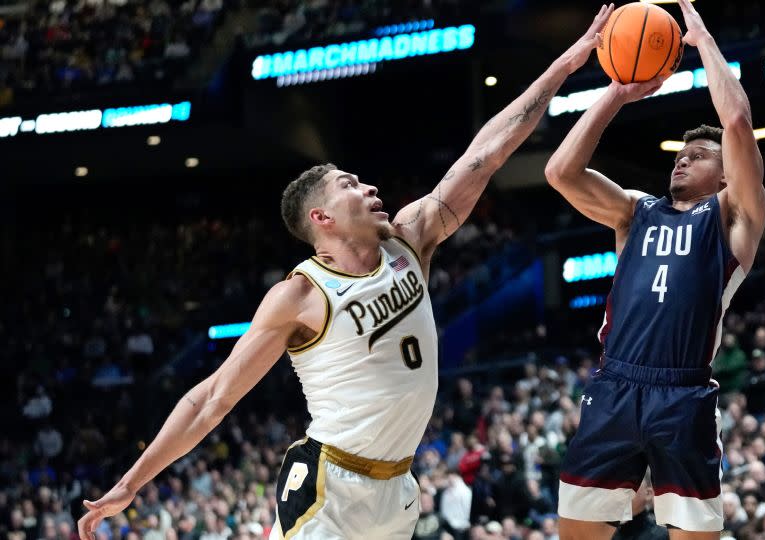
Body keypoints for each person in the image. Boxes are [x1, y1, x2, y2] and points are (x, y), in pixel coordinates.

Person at [75, 6, 619, 539]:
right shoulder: (299, 296)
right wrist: (131, 483)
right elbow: (211, 398)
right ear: (322, 218)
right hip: (327, 489)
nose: (369, 188)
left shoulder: (410, 239)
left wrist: (565, 65)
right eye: (350, 185)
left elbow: (486, 155)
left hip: (398, 488)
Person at [543, 0, 765, 537]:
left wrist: (703, 43)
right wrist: (616, 92)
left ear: (724, 177)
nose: (682, 159)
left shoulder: (733, 218)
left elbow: (736, 120)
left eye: (697, 155)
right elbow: (560, 171)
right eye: (678, 154)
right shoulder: (634, 211)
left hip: (684, 392)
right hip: (615, 383)